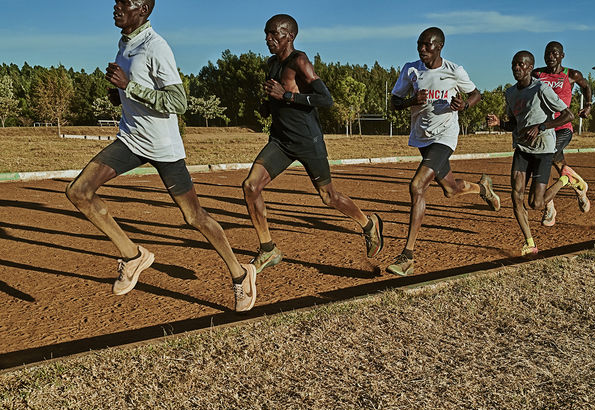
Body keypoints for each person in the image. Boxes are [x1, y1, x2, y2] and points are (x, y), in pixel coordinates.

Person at [65, 0, 257, 312]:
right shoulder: (124, 45)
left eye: (124, 3)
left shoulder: (156, 47)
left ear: (142, 10)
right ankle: (132, 255)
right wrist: (119, 93)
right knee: (79, 191)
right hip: (130, 139)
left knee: (193, 217)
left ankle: (240, 274)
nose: (116, 6)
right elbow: (135, 94)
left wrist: (130, 85)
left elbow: (179, 102)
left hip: (163, 146)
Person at [242, 14, 384, 274]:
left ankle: (368, 224)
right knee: (251, 186)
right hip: (281, 141)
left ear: (290, 36)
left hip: (308, 141)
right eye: (266, 34)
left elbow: (325, 99)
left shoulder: (300, 61)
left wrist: (284, 95)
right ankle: (268, 248)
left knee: (328, 197)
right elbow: (279, 98)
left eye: (274, 34)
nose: (268, 39)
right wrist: (267, 105)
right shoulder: (271, 63)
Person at [386, 27, 500, 277]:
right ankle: (483, 188)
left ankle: (408, 256)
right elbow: (394, 102)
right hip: (422, 137)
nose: (422, 49)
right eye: (419, 44)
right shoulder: (410, 69)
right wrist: (410, 101)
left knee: (417, 186)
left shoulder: (454, 70)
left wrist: (465, 105)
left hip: (445, 136)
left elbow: (476, 94)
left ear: (440, 46)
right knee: (450, 189)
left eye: (427, 45)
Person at [487, 51, 576, 256]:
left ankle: (565, 179)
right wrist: (500, 123)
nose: (516, 68)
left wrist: (543, 126)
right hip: (522, 150)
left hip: (544, 149)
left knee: (536, 203)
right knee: (516, 195)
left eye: (520, 64)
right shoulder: (510, 93)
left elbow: (567, 115)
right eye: (513, 64)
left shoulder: (541, 89)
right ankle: (530, 243)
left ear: (530, 67)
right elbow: (514, 124)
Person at [533, 41, 591, 227]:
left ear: (562, 56)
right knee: (558, 163)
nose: (551, 56)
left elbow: (586, 87)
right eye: (548, 53)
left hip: (562, 127)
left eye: (555, 53)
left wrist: (588, 106)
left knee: (544, 159)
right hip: (543, 128)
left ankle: (549, 209)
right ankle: (580, 188)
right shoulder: (537, 74)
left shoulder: (571, 75)